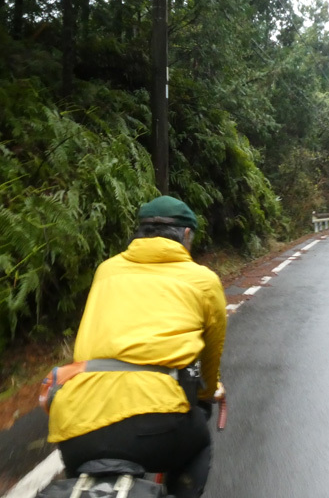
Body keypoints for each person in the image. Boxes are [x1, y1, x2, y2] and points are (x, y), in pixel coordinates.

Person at [47, 196, 227, 498]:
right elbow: (210, 354)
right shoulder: (204, 281)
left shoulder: (106, 270)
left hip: (77, 427)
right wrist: (207, 395)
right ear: (185, 236)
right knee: (198, 440)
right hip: (159, 426)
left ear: (140, 232)